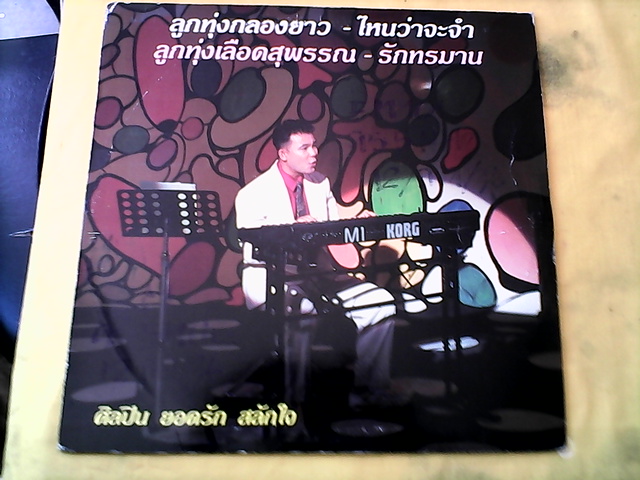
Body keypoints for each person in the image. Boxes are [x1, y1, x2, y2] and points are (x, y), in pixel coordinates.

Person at [234, 119, 413, 406]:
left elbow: (332, 228)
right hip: (272, 277)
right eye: (304, 148)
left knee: (380, 303)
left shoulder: (320, 183)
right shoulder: (252, 193)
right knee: (302, 312)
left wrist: (356, 222)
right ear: (283, 154)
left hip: (318, 275)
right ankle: (295, 401)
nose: (314, 152)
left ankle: (369, 389)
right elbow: (255, 247)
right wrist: (293, 228)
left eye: (314, 145)